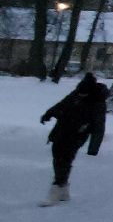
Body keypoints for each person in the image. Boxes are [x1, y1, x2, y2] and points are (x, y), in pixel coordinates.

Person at [38, 72, 108, 206]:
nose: (80, 95)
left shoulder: (97, 102)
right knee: (57, 157)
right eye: (79, 92)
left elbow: (99, 126)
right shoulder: (77, 93)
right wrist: (49, 114)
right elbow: (62, 104)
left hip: (77, 135)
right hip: (61, 130)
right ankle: (63, 190)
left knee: (64, 159)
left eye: (83, 94)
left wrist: (93, 148)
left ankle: (56, 190)